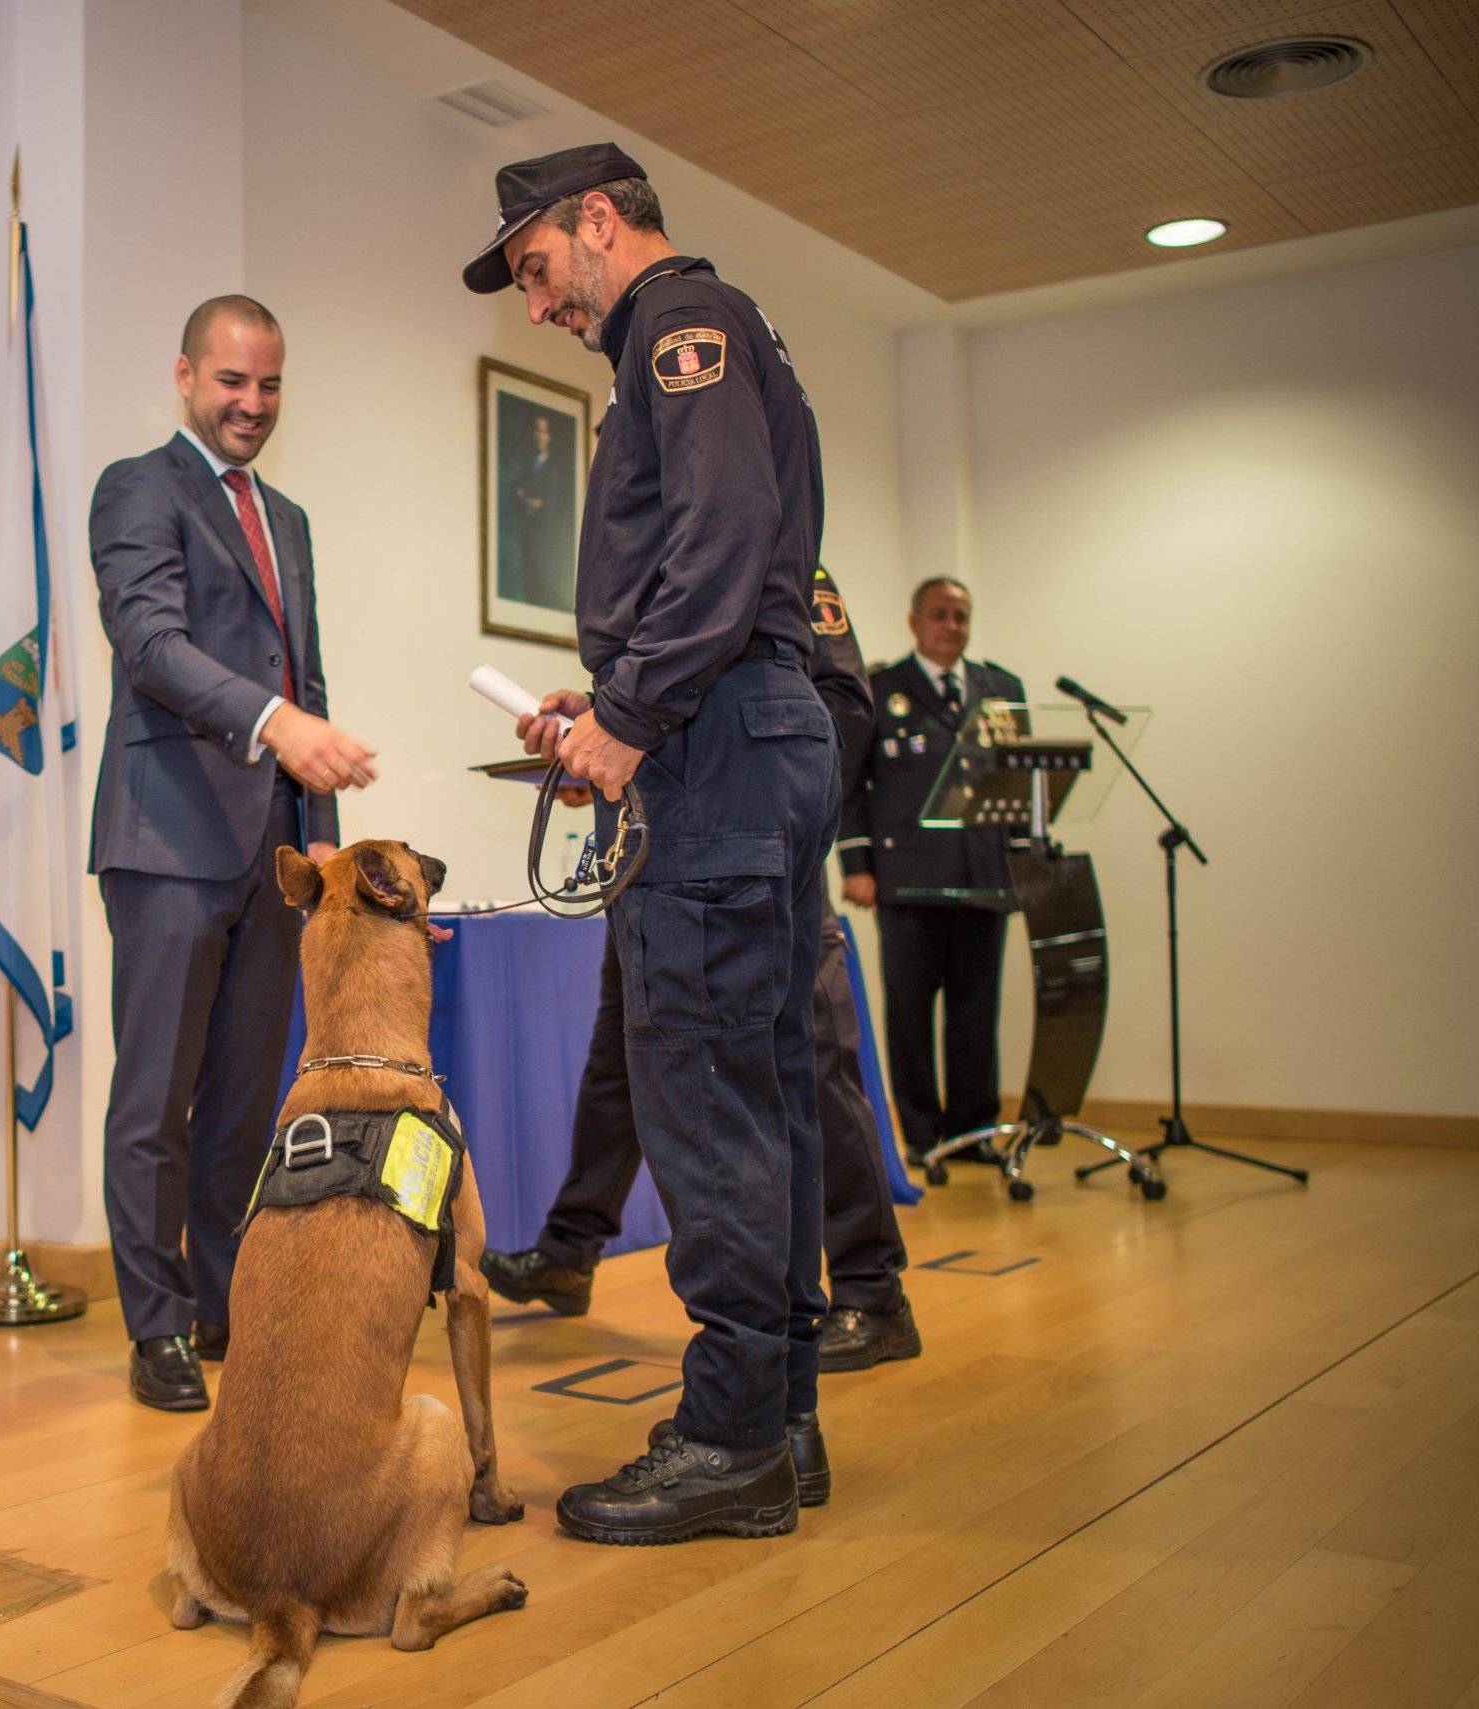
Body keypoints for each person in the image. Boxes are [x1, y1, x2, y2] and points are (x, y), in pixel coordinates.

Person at [468, 142, 837, 1545]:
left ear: (601, 221)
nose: (538, 301)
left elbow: (726, 533)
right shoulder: (708, 337)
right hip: (747, 729)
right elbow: (719, 558)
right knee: (764, 1091)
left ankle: (734, 1434)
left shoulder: (684, 327)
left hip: (718, 749)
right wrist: (613, 700)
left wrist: (630, 709)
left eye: (540, 268)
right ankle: (781, 1412)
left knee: (705, 1097)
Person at [480, 565, 922, 1372]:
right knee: (626, 1055)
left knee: (816, 1063)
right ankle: (572, 1250)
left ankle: (871, 1289)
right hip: (657, 852)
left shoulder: (773, 555)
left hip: (761, 852)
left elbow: (843, 712)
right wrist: (602, 742)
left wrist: (707, 761)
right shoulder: (670, 565)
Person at [89, 296, 378, 1412]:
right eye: (231, 383)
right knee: (155, 1098)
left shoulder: (288, 516)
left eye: (269, 385)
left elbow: (301, 680)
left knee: (248, 1102)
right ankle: (154, 1324)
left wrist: (324, 860)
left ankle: (222, 1305)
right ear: (183, 375)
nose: (251, 404)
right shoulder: (136, 487)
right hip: (165, 836)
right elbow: (151, 642)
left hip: (271, 851)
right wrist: (275, 723)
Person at [839, 576, 1026, 1164]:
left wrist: (1023, 861)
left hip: (982, 874)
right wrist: (857, 864)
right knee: (910, 1013)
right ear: (914, 622)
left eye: (962, 616)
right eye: (941, 615)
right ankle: (921, 1136)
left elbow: (1019, 783)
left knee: (976, 1011)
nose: (953, 626)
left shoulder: (1000, 689)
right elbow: (850, 786)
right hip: (908, 879)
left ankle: (973, 1132)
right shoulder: (880, 688)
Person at [502, 409, 576, 609]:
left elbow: (549, 505)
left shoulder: (555, 469)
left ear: (549, 437)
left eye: (543, 431)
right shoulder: (527, 465)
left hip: (547, 540)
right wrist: (529, 501)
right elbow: (514, 497)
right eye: (536, 430)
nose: (539, 435)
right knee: (529, 583)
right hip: (529, 538)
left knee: (543, 586)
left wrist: (527, 499)